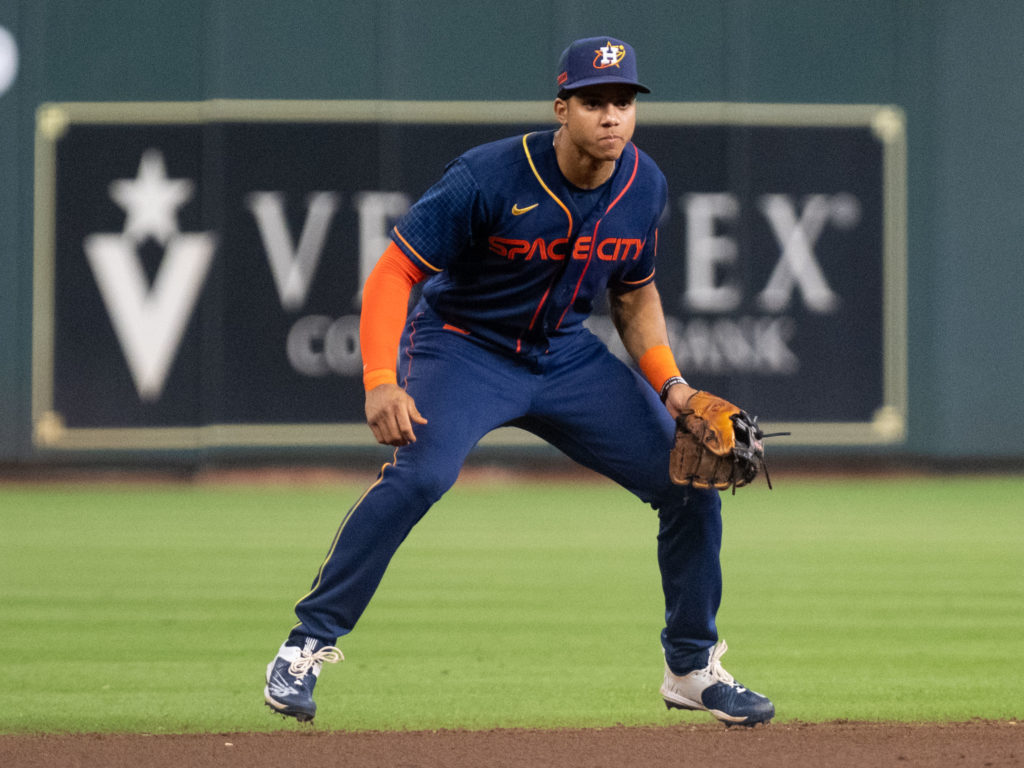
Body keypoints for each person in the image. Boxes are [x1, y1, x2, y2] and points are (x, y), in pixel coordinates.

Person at [264, 36, 774, 727]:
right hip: (463, 348)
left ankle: (691, 668)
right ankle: (306, 644)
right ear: (561, 108)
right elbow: (395, 271)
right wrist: (381, 379)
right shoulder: (488, 176)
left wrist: (674, 389)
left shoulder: (643, 184)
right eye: (594, 102)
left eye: (623, 102)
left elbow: (634, 294)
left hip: (564, 356)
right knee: (420, 477)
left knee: (689, 488)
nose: (612, 117)